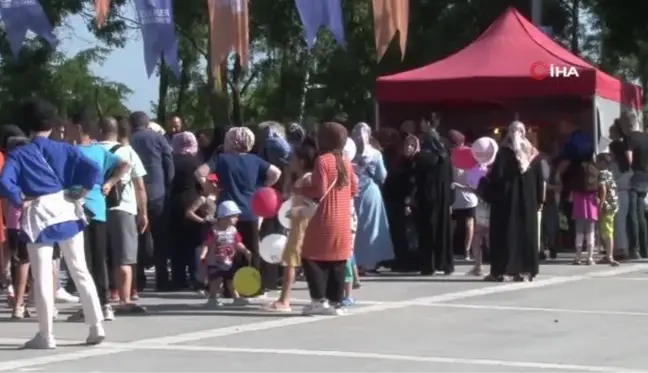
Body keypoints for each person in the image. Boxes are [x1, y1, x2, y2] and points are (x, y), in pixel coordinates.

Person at [0, 98, 105, 349]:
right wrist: (82, 191)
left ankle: (46, 335)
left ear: (28, 125)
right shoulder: (66, 148)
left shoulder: (19, 154)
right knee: (80, 269)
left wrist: (19, 199)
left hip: (38, 212)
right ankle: (96, 325)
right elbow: (93, 169)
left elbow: (5, 183)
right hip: (66, 207)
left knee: (43, 274)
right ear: (52, 123)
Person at [195, 127, 282, 295]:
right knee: (251, 251)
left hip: (227, 211)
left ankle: (230, 288)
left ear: (232, 141)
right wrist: (263, 189)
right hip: (251, 210)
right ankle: (253, 287)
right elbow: (276, 172)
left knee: (227, 250)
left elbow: (199, 172)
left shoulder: (221, 159)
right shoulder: (255, 160)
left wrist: (209, 189)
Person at [67, 112, 130, 322]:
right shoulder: (100, 151)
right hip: (97, 209)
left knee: (83, 261)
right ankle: (103, 305)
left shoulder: (72, 152)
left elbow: (123, 165)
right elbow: (124, 165)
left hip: (78, 208)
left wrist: (110, 182)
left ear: (78, 128)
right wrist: (110, 182)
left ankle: (92, 305)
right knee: (97, 259)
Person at [299, 122, 357, 316]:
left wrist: (302, 188)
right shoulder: (346, 161)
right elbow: (354, 189)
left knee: (311, 257)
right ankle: (336, 302)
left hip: (324, 218)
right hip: (343, 219)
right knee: (338, 260)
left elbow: (319, 190)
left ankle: (318, 300)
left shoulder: (322, 160)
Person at [98, 117, 148, 311]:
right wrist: (143, 213)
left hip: (95, 208)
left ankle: (101, 298)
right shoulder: (128, 151)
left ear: (99, 130)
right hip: (123, 208)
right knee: (124, 257)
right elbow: (140, 187)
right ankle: (124, 299)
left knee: (98, 255)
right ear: (117, 131)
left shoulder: (92, 150)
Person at [485, 121, 544, 282]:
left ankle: (503, 270)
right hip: (528, 204)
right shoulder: (533, 154)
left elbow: (496, 177)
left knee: (506, 235)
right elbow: (540, 180)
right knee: (526, 234)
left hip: (506, 204)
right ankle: (527, 270)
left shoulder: (503, 153)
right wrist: (540, 200)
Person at [265, 139, 317, 312]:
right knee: (296, 260)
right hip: (299, 220)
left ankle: (285, 299)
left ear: (302, 161)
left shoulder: (307, 178)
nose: (290, 162)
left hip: (302, 222)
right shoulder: (305, 177)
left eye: (293, 158)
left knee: (291, 260)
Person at [130, 111, 175, 290]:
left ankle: (138, 280)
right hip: (158, 192)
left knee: (138, 237)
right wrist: (167, 183)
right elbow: (168, 162)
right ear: (148, 123)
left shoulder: (129, 140)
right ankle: (162, 279)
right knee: (160, 237)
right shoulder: (158, 138)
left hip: (135, 194)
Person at [404, 129, 454, 276]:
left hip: (427, 200)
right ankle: (446, 264)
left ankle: (428, 265)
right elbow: (451, 181)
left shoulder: (422, 158)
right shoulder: (446, 158)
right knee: (443, 232)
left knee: (427, 232)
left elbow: (416, 181)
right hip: (443, 201)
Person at [350, 122, 393, 273]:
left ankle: (355, 262)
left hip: (351, 192)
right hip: (369, 191)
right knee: (371, 226)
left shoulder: (348, 152)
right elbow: (382, 175)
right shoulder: (375, 153)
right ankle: (369, 262)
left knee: (354, 227)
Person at [199, 200, 251, 307]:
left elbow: (238, 243)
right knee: (215, 281)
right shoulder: (214, 231)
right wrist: (203, 254)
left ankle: (236, 298)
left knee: (231, 280)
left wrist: (245, 250)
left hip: (229, 261)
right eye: (234, 216)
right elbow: (207, 244)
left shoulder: (233, 230)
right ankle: (212, 298)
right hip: (215, 261)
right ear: (225, 217)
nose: (237, 219)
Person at [619, 111, 648, 259]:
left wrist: (630, 169)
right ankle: (645, 248)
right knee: (641, 213)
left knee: (632, 214)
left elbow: (629, 156)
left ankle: (634, 248)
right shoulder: (646, 137)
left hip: (633, 177)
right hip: (644, 177)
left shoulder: (630, 138)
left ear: (628, 124)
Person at [448, 130, 477, 260]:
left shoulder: (451, 164)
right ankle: (466, 251)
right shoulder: (474, 165)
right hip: (470, 199)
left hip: (455, 199)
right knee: (469, 224)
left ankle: (449, 249)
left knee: (453, 225)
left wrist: (457, 185)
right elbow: (474, 185)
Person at [571, 154, 599, 265]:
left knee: (579, 232)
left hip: (579, 205)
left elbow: (570, 196)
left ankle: (578, 257)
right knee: (590, 232)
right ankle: (590, 257)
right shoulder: (594, 172)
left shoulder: (577, 180)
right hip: (591, 204)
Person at [596, 153, 620, 266]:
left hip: (607, 205)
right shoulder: (610, 173)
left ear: (602, 162)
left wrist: (600, 204)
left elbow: (603, 189)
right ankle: (608, 254)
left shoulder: (602, 174)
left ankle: (609, 255)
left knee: (607, 231)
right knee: (608, 229)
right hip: (613, 204)